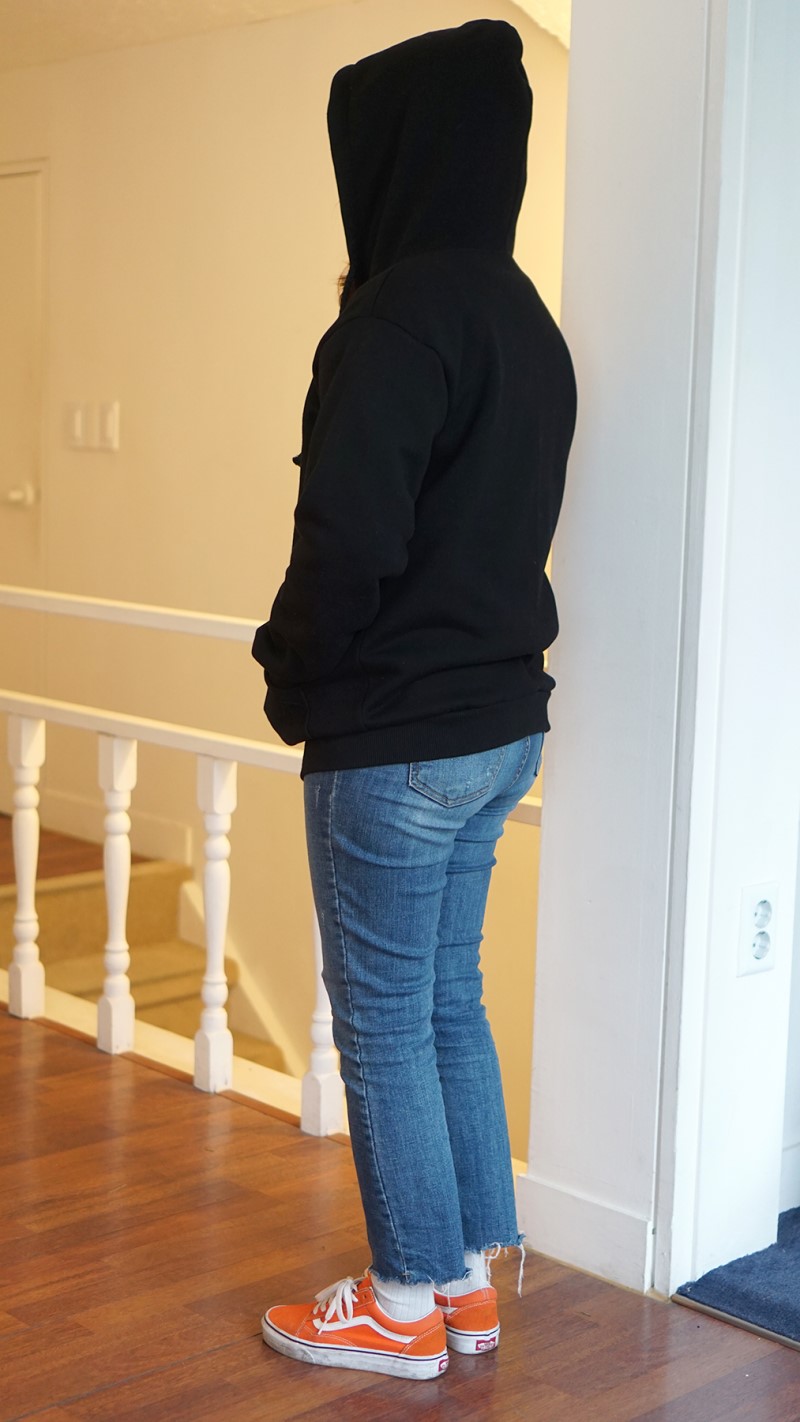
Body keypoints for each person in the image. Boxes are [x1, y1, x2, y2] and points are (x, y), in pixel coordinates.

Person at [251, 16, 576, 1382]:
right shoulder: (524, 317)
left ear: (388, 154)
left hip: (394, 737)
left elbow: (347, 542)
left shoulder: (392, 320)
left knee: (383, 1017)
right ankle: (464, 1285)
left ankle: (399, 1302)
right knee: (448, 997)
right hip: (500, 727)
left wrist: (289, 672)